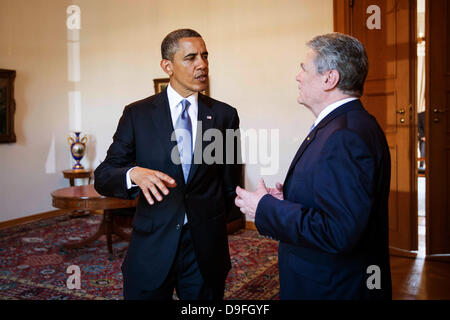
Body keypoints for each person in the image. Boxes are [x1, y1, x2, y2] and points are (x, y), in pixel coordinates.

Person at [235, 33, 392, 300]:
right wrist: (287, 200)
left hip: (332, 287)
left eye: (303, 68)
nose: (298, 76)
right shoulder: (345, 124)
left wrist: (264, 207)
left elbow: (338, 231)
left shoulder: (345, 136)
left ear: (329, 79)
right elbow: (338, 203)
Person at [94, 29, 241, 300]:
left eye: (205, 56)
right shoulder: (137, 114)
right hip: (152, 244)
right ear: (167, 66)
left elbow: (229, 183)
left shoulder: (224, 115)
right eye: (191, 58)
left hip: (205, 249)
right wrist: (133, 173)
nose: (202, 64)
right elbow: (103, 176)